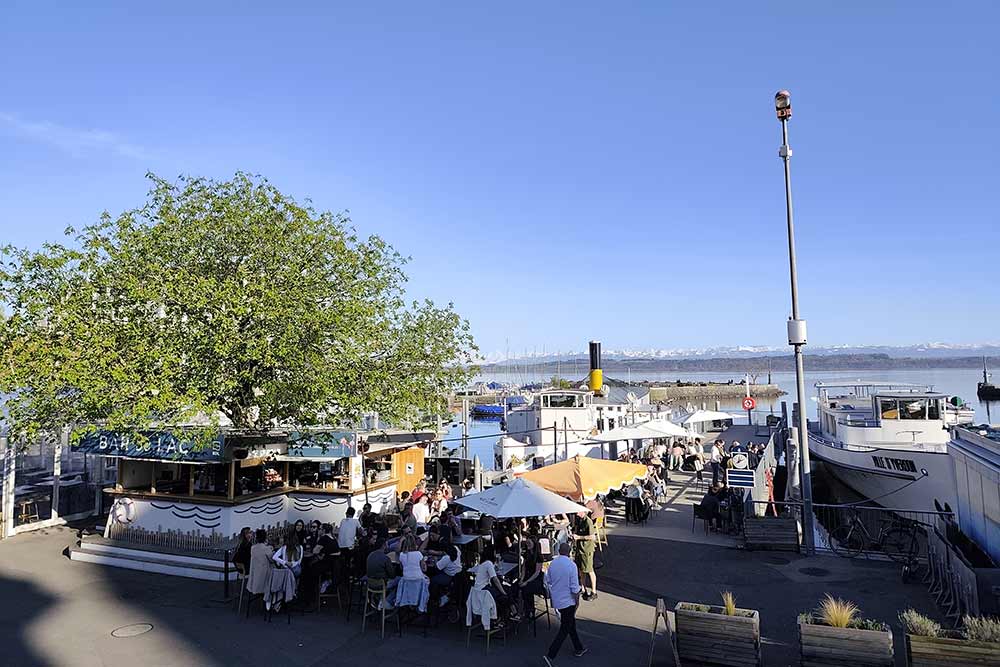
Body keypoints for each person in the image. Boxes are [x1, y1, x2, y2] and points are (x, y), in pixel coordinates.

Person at [543, 542, 587, 665]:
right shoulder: (571, 566)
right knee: (565, 629)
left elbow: (549, 580)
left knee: (570, 625)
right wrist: (577, 601)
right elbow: (574, 588)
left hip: (557, 600)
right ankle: (551, 655)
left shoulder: (552, 564)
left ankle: (579, 647)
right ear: (569, 552)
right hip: (568, 601)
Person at [302, 523, 340, 605]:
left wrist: (318, 539)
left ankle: (309, 596)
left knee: (308, 571)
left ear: (323, 530)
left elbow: (315, 551)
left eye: (320, 529)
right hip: (335, 567)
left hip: (327, 565)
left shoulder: (324, 538)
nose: (318, 530)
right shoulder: (333, 538)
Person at [571, 510, 597, 600]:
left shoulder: (588, 521)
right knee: (581, 569)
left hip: (587, 549)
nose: (576, 513)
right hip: (580, 549)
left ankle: (594, 591)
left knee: (589, 570)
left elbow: (593, 537)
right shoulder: (579, 520)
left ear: (583, 512)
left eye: (578, 512)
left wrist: (579, 537)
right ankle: (583, 588)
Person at [246, 528, 274, 598]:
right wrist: (271, 550)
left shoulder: (252, 548)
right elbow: (272, 560)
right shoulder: (266, 549)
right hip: (264, 579)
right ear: (265, 538)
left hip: (254, 577)